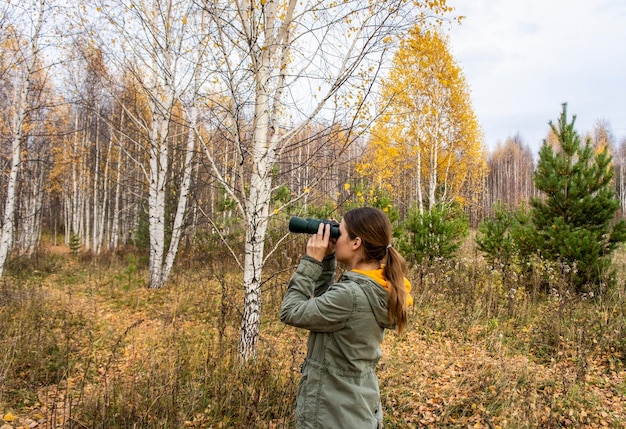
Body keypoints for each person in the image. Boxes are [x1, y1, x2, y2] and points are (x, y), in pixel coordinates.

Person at [280, 206, 413, 429]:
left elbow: (290, 311)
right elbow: (325, 315)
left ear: (356, 243)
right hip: (354, 409)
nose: (334, 237)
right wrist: (328, 261)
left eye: (338, 232)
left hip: (333, 416)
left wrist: (312, 261)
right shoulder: (373, 287)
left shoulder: (350, 295)